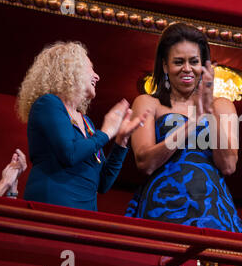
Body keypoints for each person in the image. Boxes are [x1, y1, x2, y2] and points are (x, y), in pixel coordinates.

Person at [125, 23, 242, 234]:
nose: (187, 69)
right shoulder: (147, 103)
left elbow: (228, 165)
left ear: (204, 66)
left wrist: (208, 112)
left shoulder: (222, 105)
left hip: (212, 212)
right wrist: (191, 124)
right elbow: (145, 162)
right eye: (178, 62)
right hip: (161, 208)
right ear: (164, 66)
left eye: (194, 61)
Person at [16, 41, 147, 211]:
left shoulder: (87, 123)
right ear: (71, 69)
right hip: (51, 208)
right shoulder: (48, 104)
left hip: (84, 215)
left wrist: (121, 141)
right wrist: (106, 132)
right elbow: (70, 154)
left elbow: (103, 183)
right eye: (91, 68)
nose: (97, 76)